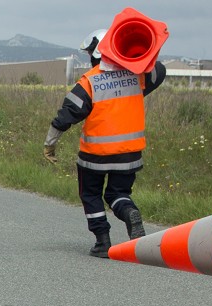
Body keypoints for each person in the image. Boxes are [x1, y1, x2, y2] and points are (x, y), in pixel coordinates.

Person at [44, 25, 167, 257]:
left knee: (91, 194)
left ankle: (103, 241)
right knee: (117, 194)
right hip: (129, 155)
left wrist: (49, 144)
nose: (89, 57)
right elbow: (158, 70)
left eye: (90, 52)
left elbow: (66, 115)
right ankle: (129, 211)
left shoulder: (89, 82)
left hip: (94, 156)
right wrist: (136, 60)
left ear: (98, 52)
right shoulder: (136, 76)